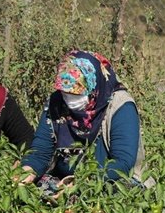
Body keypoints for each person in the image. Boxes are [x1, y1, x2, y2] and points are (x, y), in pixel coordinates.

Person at [19, 50, 149, 190]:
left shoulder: (120, 106)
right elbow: (40, 151)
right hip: (64, 181)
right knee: (35, 190)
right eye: (65, 94)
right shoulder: (56, 102)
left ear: (94, 88)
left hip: (107, 180)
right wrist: (27, 172)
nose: (70, 100)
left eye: (77, 94)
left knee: (115, 191)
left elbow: (123, 163)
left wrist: (81, 181)